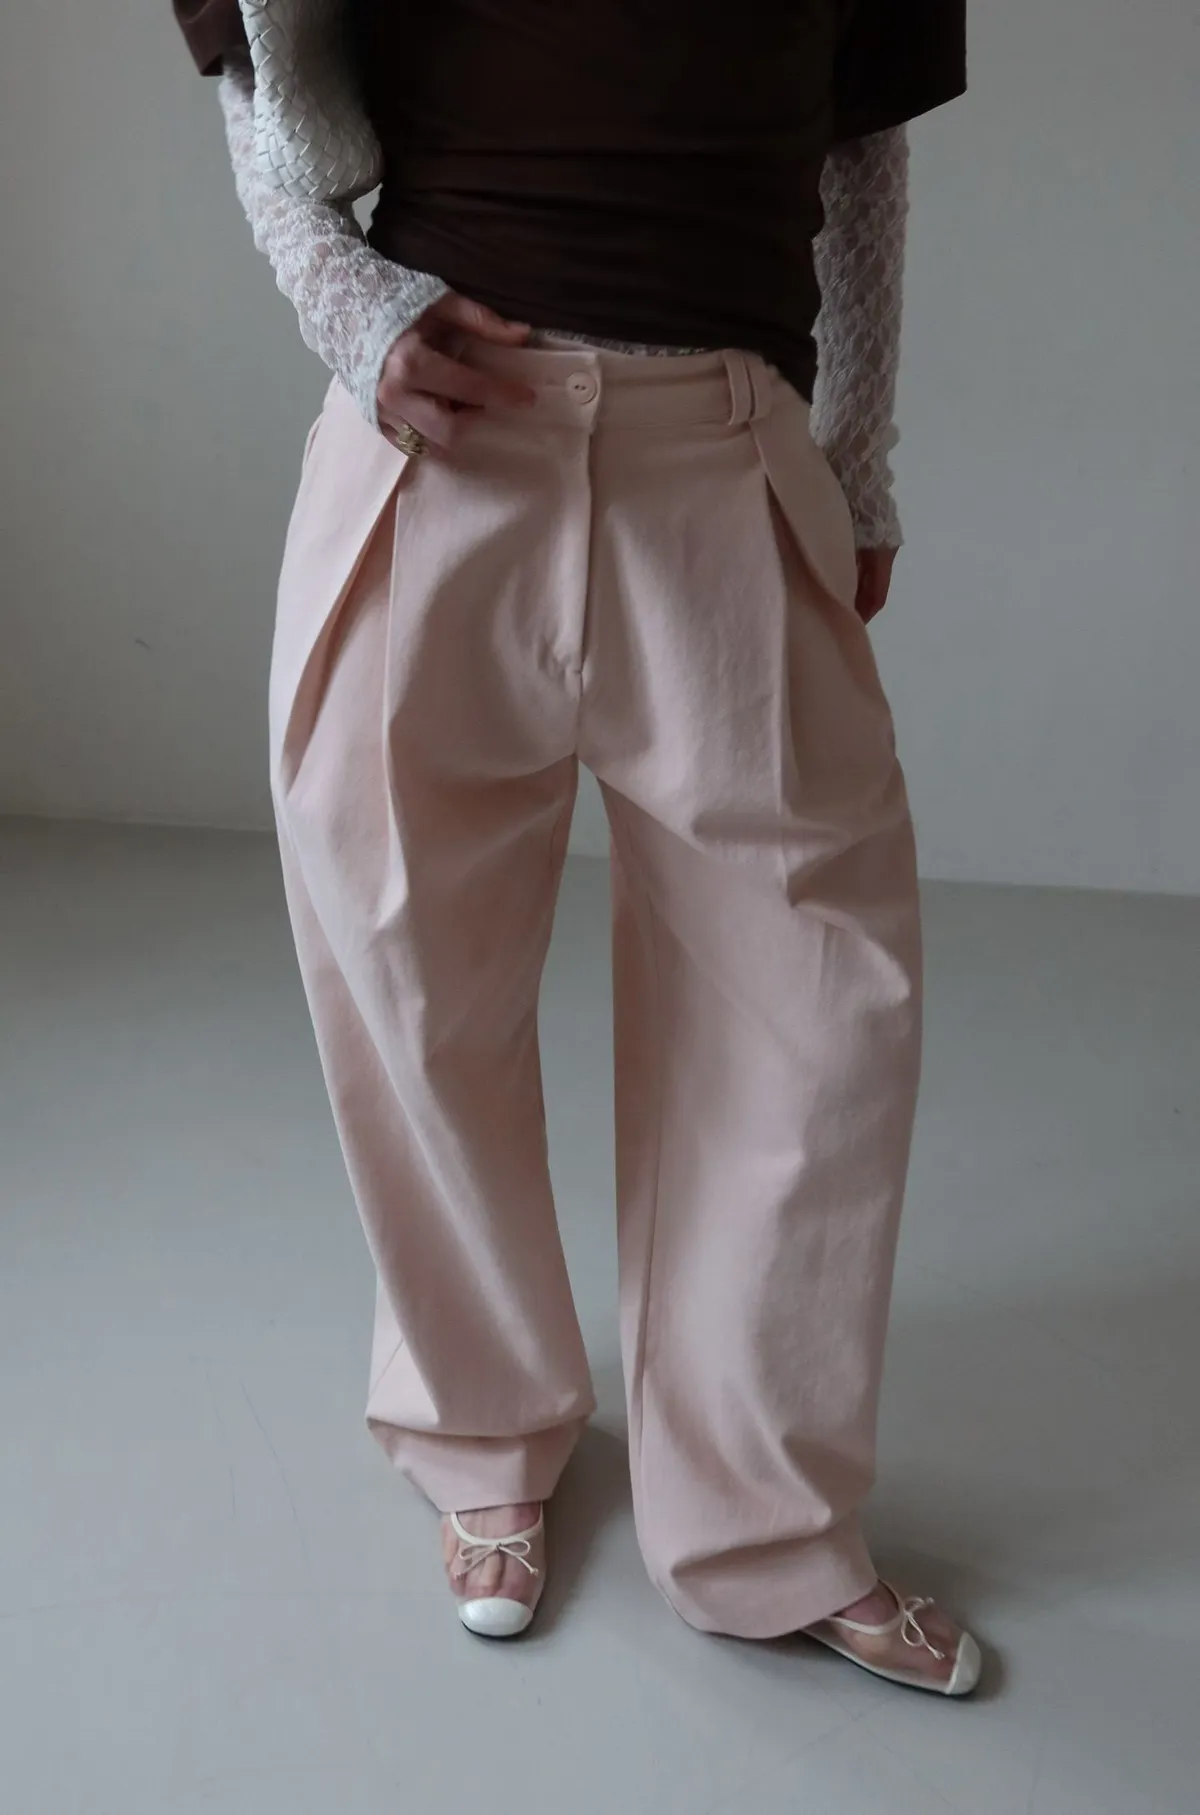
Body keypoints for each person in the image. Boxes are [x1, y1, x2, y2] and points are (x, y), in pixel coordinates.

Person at [174, 0, 980, 1694]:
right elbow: (258, 52)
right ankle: (481, 1432)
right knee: (409, 973)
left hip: (723, 445)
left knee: (820, 1008)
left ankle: (766, 1522)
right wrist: (346, 307)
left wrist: (859, 456)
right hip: (442, 436)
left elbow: (865, 142)